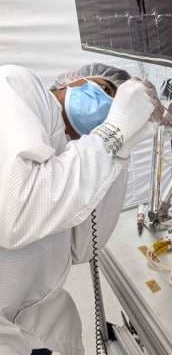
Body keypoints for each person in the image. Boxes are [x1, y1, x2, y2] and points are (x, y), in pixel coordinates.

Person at [0, 63, 157, 355]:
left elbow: (83, 247)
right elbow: (16, 212)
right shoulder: (17, 87)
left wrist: (121, 151)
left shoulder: (77, 156)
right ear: (71, 81)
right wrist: (112, 133)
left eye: (116, 106)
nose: (108, 107)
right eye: (105, 89)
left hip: (30, 330)